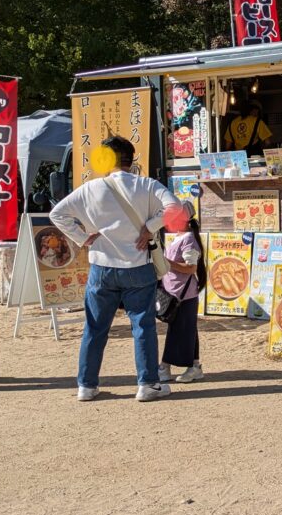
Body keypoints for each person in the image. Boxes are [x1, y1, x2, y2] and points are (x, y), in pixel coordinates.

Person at [50, 136, 180, 403]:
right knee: (142, 326)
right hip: (137, 265)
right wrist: (151, 227)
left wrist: (81, 237)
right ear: (131, 159)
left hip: (102, 266)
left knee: (95, 328)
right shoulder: (147, 184)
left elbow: (57, 214)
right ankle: (147, 383)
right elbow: (176, 208)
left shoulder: (91, 188)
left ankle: (86, 385)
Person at [158, 201, 205, 384]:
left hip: (183, 294)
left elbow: (191, 267)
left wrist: (167, 262)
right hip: (176, 292)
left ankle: (164, 366)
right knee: (187, 330)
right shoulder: (180, 237)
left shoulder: (188, 240)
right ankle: (194, 367)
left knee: (178, 331)